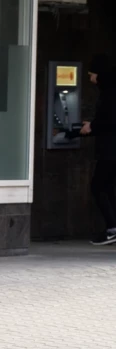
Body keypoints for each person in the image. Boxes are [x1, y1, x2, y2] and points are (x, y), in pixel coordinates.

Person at [80, 54, 116, 245]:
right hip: (110, 149)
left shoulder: (109, 93)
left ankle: (112, 228)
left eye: (92, 74)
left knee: (98, 186)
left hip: (110, 151)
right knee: (108, 188)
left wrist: (92, 127)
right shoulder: (109, 91)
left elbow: (110, 120)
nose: (90, 78)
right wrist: (93, 125)